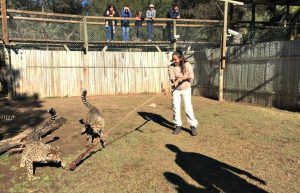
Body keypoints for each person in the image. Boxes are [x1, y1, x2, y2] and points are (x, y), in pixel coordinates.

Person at [168, 50, 198, 136]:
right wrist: (175, 81)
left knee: (188, 108)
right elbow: (172, 77)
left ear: (180, 58)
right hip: (176, 90)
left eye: (175, 59)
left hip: (186, 89)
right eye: (173, 59)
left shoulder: (187, 64)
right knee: (175, 107)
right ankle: (178, 126)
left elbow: (191, 76)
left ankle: (193, 126)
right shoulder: (171, 66)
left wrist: (183, 78)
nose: (174, 61)